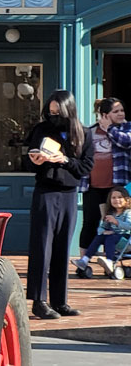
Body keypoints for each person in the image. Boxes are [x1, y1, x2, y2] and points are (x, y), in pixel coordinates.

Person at [25, 90, 94, 320]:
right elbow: (29, 161)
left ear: (68, 111)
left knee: (62, 248)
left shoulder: (83, 134)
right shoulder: (42, 129)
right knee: (42, 247)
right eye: (50, 111)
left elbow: (85, 167)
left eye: (57, 112)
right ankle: (39, 300)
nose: (53, 116)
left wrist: (64, 160)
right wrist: (36, 159)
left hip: (69, 194)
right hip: (46, 191)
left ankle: (60, 300)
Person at [79, 97, 130, 255]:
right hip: (92, 185)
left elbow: (126, 142)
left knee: (117, 224)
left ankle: (113, 258)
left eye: (122, 110)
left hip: (116, 186)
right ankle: (84, 260)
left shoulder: (126, 128)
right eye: (116, 111)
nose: (121, 114)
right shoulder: (91, 131)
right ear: (104, 114)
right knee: (90, 222)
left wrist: (110, 129)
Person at [73, 186, 131, 277]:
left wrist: (116, 222)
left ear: (127, 200)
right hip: (114, 239)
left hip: (125, 242)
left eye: (120, 197)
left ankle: (109, 261)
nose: (116, 200)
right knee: (100, 236)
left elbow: (129, 226)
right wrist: (103, 231)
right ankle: (85, 259)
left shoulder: (128, 213)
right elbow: (103, 226)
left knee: (111, 237)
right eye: (113, 198)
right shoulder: (111, 213)